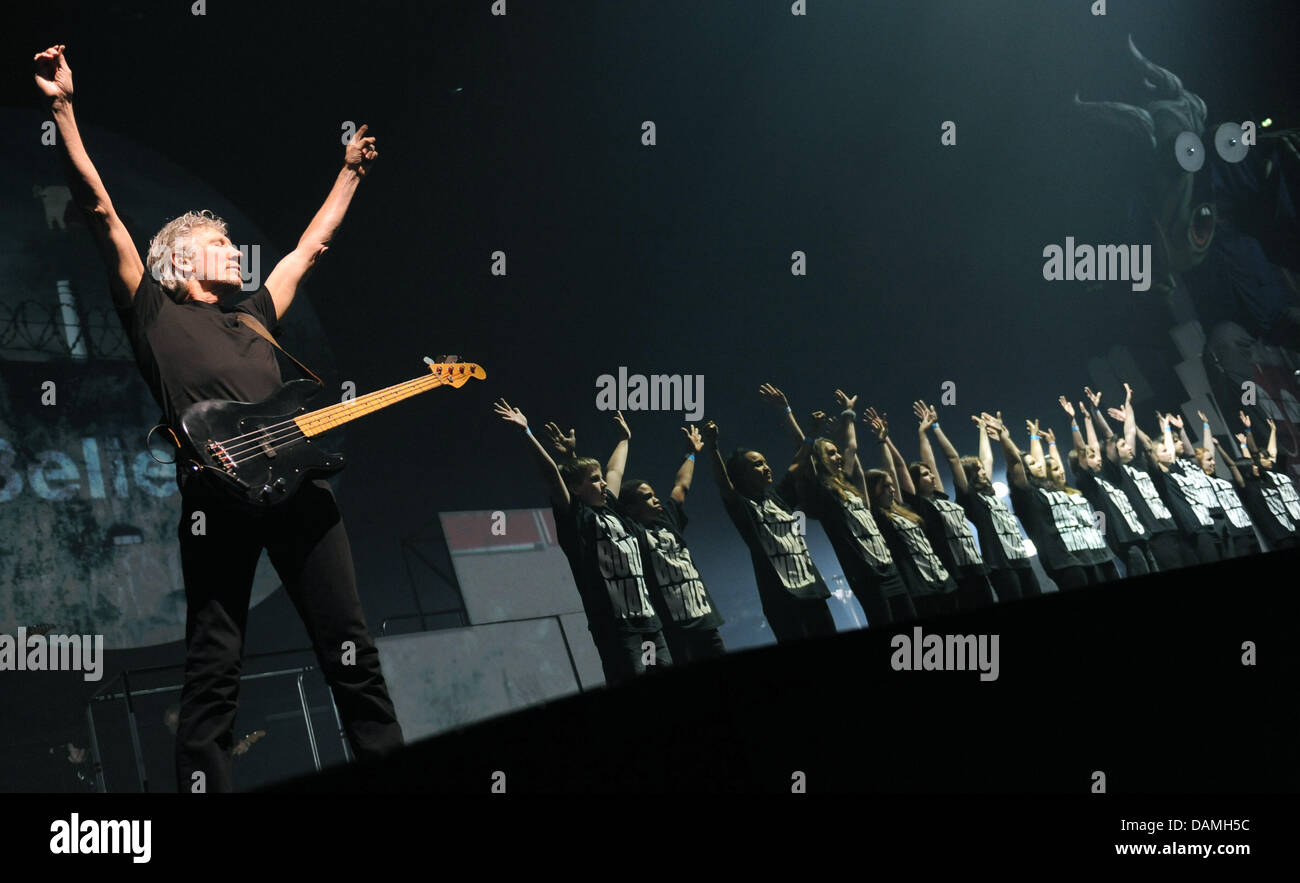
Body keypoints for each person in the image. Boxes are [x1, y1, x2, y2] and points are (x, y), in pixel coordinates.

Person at [36, 44, 403, 792]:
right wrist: (63, 109)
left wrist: (351, 172)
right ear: (177, 258)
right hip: (217, 499)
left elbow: (311, 247)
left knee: (350, 647)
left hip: (301, 493)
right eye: (219, 244)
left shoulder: (258, 315)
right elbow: (101, 207)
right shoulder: (152, 310)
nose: (235, 250)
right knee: (215, 663)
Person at [494, 400, 672, 685]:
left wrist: (625, 438)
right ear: (576, 489)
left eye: (601, 479)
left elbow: (615, 471)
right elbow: (553, 475)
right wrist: (527, 432)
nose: (603, 484)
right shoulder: (576, 518)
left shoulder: (610, 508)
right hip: (618, 630)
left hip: (650, 625)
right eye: (594, 480)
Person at [764, 385, 916, 627]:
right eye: (831, 453)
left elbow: (852, 448)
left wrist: (849, 414)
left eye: (837, 452)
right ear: (820, 459)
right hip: (866, 574)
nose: (837, 456)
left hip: (889, 566)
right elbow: (802, 447)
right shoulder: (822, 491)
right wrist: (787, 411)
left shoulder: (848, 485)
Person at [702, 417, 836, 643]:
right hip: (782, 600)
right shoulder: (743, 507)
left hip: (813, 591)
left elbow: (799, 461)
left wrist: (811, 430)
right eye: (757, 464)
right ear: (742, 474)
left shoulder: (779, 497)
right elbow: (724, 483)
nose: (766, 467)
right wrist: (713, 447)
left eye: (764, 462)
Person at [614, 425, 727, 664]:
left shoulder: (667, 518)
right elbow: (612, 491)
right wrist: (624, 440)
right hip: (674, 629)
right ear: (631, 508)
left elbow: (681, 486)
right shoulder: (632, 532)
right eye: (647, 497)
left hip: (705, 620)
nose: (655, 499)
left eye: (654, 494)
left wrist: (692, 454)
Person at [1085, 385, 1201, 571]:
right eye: (1123, 445)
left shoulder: (1139, 465)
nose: (1129, 447)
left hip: (1172, 526)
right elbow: (1107, 438)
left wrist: (1128, 405)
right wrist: (1094, 412)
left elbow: (1131, 432)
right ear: (1115, 452)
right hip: (1154, 533)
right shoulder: (1118, 473)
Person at [862, 408, 960, 617]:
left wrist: (886, 438)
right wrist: (881, 443)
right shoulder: (878, 517)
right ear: (874, 491)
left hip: (942, 578)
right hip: (920, 586)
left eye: (892, 485)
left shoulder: (903, 509)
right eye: (886, 486)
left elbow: (897, 468)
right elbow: (895, 468)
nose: (893, 488)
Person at [1002, 415, 1116, 589]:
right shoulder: (1027, 495)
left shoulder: (1049, 488)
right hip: (1061, 561)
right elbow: (1017, 463)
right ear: (1025, 472)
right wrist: (1005, 438)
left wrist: (1035, 437)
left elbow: (1048, 465)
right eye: (1033, 465)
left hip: (1084, 555)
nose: (1040, 465)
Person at [904, 401, 998, 608]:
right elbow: (931, 460)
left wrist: (936, 426)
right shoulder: (923, 506)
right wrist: (922, 434)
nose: (931, 475)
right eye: (925, 475)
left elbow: (954, 458)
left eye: (931, 473)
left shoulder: (944, 498)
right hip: (956, 573)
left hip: (976, 567)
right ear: (915, 482)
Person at [1058, 396, 1158, 576]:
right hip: (1123, 539)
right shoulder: (1086, 481)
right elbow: (1082, 450)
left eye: (1097, 455)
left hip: (1139, 533)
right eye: (1091, 457)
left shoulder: (1108, 474)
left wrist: (1091, 417)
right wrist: (1073, 421)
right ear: (1081, 464)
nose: (1097, 457)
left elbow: (1106, 440)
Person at [956, 413, 1043, 602]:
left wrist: (982, 431)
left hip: (1020, 558)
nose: (983, 471)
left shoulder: (990, 492)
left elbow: (987, 459)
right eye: (977, 469)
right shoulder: (971, 498)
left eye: (981, 468)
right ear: (969, 475)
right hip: (1001, 566)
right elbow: (975, 463)